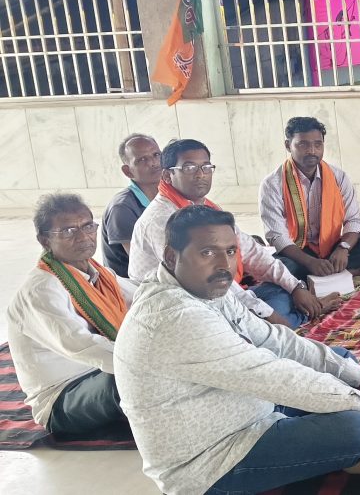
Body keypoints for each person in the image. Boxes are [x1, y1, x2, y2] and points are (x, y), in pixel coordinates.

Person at [115, 206, 360, 494]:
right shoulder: (174, 317)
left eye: (230, 251)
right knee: (357, 429)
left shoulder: (204, 287)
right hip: (211, 459)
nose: (224, 265)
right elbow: (273, 376)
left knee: (344, 364)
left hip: (250, 407)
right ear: (171, 257)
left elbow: (273, 339)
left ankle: (338, 452)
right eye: (207, 252)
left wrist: (352, 375)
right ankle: (351, 456)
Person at [128, 139, 329, 329]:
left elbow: (251, 251)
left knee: (283, 285)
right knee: (264, 312)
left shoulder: (205, 208)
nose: (200, 175)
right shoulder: (161, 220)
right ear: (167, 176)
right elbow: (210, 281)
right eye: (189, 168)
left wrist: (296, 288)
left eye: (206, 167)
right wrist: (270, 315)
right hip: (182, 306)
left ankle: (278, 320)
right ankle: (290, 320)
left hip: (220, 291)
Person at [7, 193, 132, 437]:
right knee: (133, 377)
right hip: (62, 397)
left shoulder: (99, 274)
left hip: (99, 372)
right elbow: (84, 345)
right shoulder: (41, 290)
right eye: (68, 231)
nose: (83, 236)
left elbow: (142, 298)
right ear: (44, 240)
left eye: (88, 226)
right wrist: (152, 361)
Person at [260, 117, 360, 282]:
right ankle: (348, 271)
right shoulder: (272, 184)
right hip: (298, 251)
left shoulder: (338, 177)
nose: (312, 151)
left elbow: (354, 220)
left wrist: (343, 248)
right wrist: (310, 262)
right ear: (288, 145)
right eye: (303, 144)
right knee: (283, 266)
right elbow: (277, 236)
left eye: (318, 144)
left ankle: (320, 273)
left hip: (332, 248)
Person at [101, 134, 161, 278]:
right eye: (142, 160)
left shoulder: (166, 197)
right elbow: (143, 263)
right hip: (133, 286)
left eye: (156, 155)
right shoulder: (122, 208)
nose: (154, 163)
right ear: (127, 171)